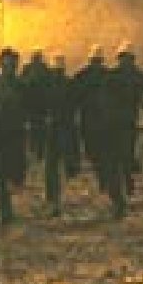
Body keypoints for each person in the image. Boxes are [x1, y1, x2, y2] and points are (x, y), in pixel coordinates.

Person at [99, 41, 143, 218]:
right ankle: (122, 193)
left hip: (118, 125)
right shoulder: (131, 75)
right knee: (121, 158)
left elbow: (103, 99)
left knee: (118, 159)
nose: (126, 62)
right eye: (125, 58)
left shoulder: (115, 76)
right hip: (121, 124)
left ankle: (121, 194)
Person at [0, 47, 28, 224]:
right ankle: (5, 212)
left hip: (13, 138)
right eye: (6, 64)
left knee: (9, 175)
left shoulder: (21, 86)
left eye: (12, 64)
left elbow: (29, 110)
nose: (9, 67)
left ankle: (5, 210)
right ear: (1, 64)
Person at [44, 52, 81, 217]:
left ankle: (53, 200)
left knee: (51, 166)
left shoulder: (48, 85)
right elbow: (76, 104)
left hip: (53, 127)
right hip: (66, 127)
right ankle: (55, 200)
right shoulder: (70, 84)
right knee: (62, 163)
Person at [73, 44, 109, 190]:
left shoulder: (107, 75)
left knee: (101, 151)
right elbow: (74, 97)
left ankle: (103, 179)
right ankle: (102, 176)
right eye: (95, 61)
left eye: (98, 61)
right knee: (92, 151)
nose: (96, 64)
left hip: (101, 120)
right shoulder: (82, 76)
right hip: (89, 119)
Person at [21, 46, 50, 160]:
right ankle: (38, 151)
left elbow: (22, 84)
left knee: (35, 129)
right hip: (39, 105)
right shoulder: (44, 68)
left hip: (34, 105)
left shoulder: (28, 68)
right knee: (39, 129)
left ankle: (36, 150)